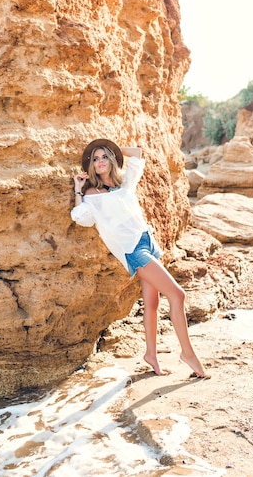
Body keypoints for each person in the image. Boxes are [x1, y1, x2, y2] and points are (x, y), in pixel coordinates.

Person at [71, 138, 208, 378]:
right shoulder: (92, 193)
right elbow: (81, 218)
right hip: (133, 251)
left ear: (112, 160)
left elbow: (137, 155)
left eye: (105, 157)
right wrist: (77, 189)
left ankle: (151, 355)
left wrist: (113, 148)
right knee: (177, 294)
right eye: (95, 159)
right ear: (90, 166)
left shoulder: (125, 185)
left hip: (148, 242)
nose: (100, 162)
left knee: (152, 304)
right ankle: (188, 353)